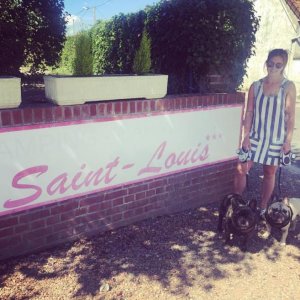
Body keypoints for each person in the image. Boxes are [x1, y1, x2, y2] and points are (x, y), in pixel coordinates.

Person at [234, 48, 296, 215]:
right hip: (255, 137)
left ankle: (262, 207)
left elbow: (290, 116)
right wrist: (245, 136)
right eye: (271, 63)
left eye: (278, 64)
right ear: (266, 63)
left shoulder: (288, 86)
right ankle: (236, 203)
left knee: (269, 172)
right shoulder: (256, 86)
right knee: (241, 169)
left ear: (283, 66)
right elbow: (249, 112)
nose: (273, 67)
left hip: (276, 139)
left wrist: (288, 141)